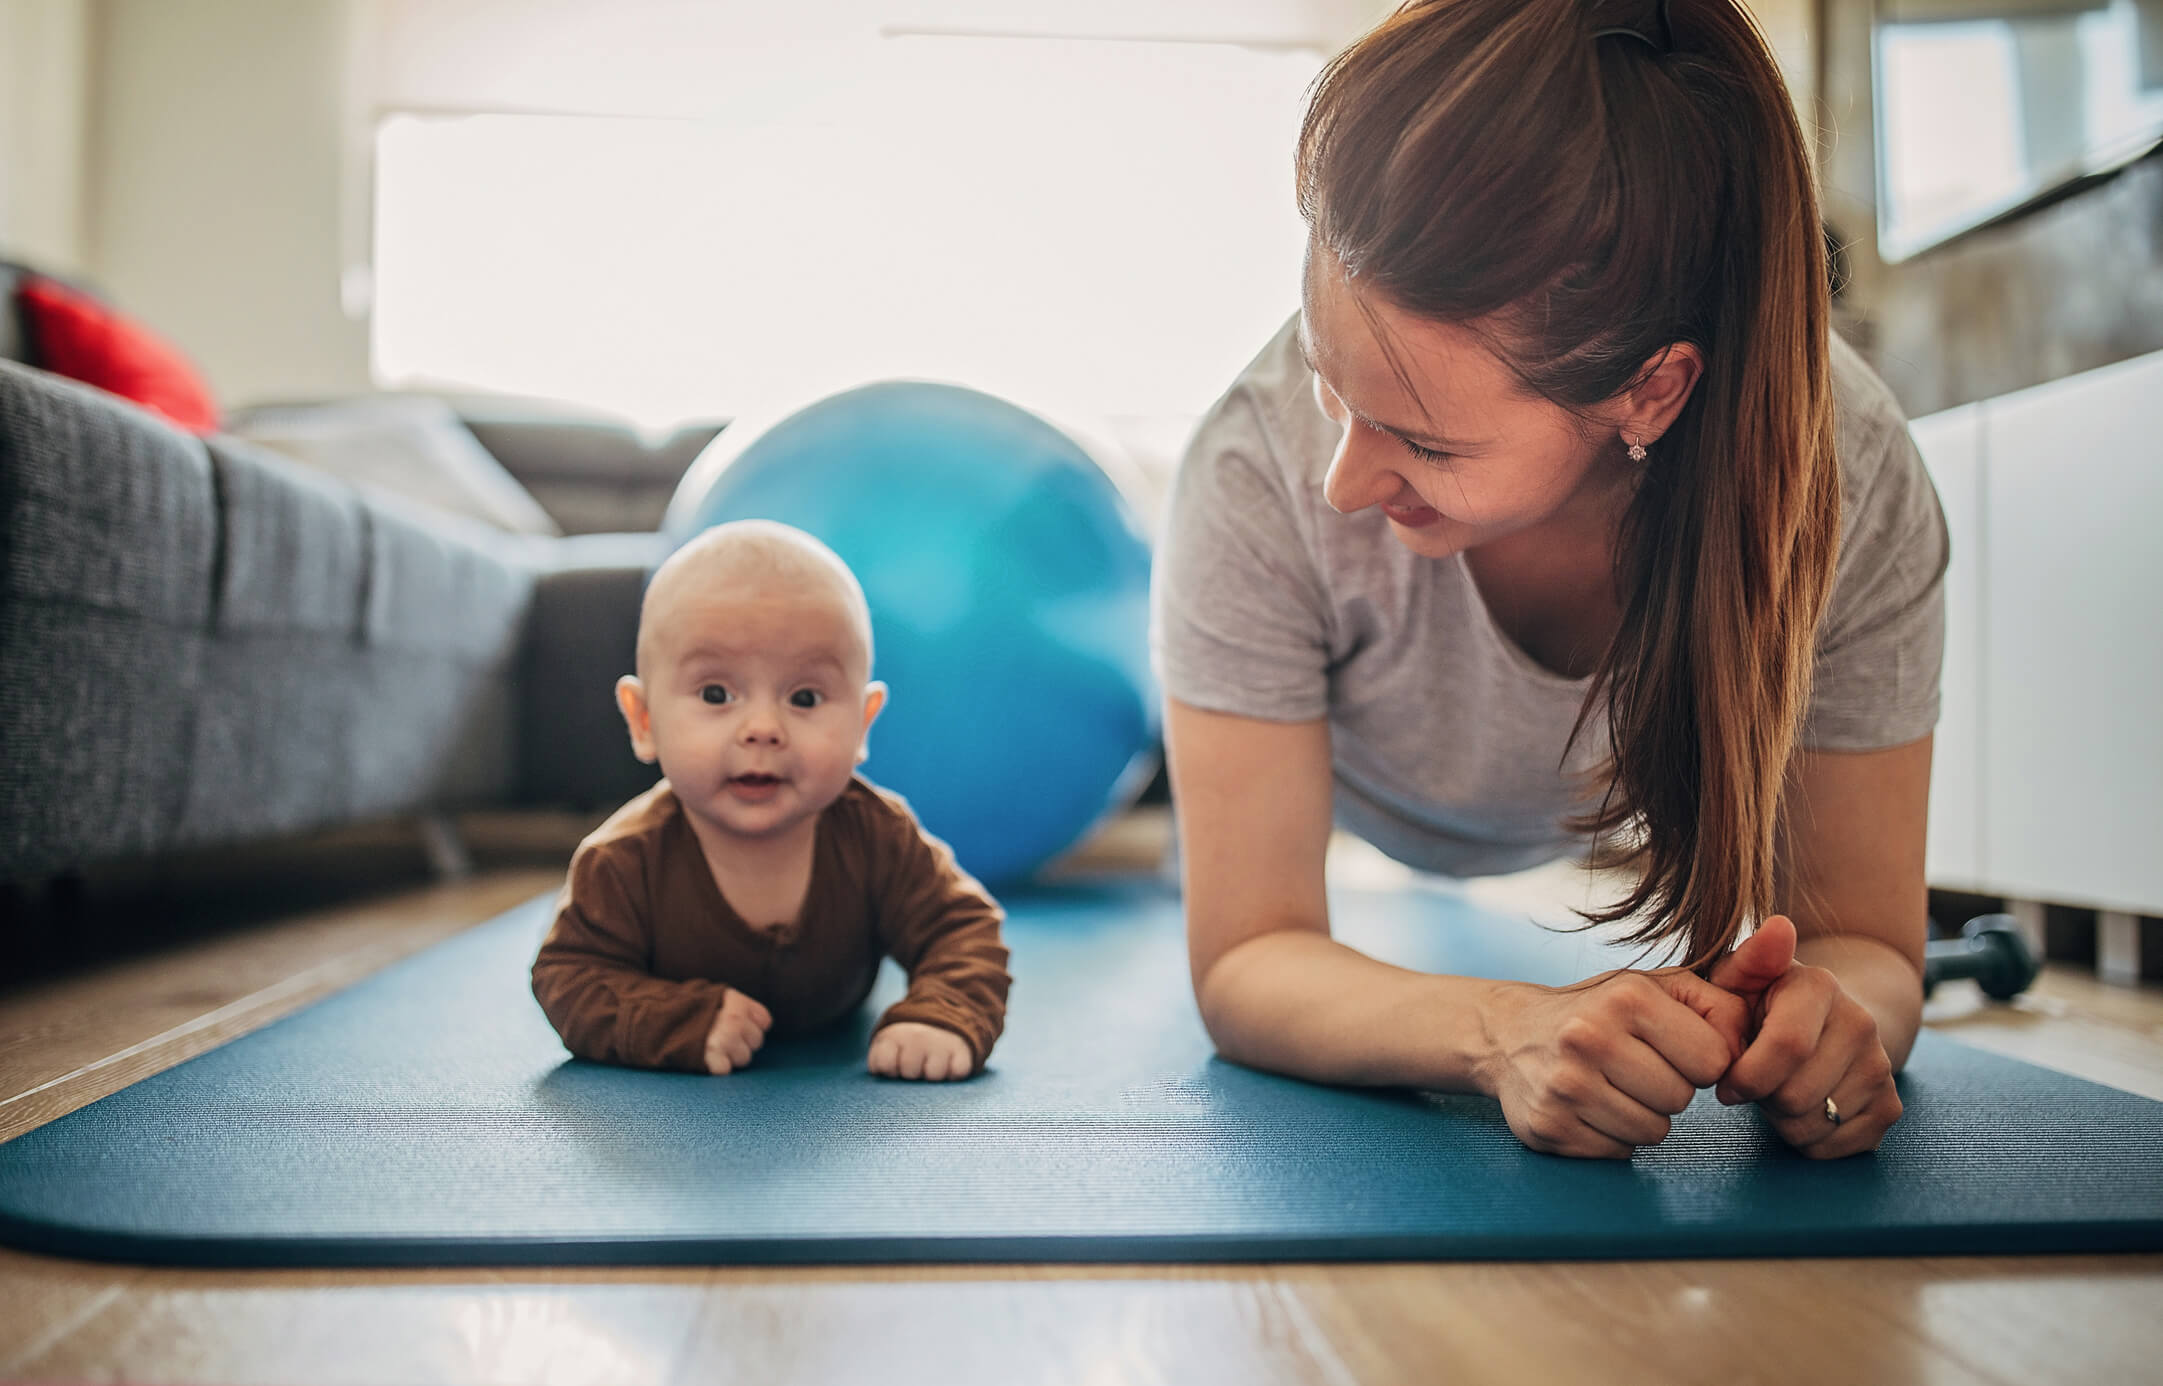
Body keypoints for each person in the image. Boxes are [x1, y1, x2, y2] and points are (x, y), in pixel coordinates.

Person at [1153, 0, 1945, 1159]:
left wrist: (1837, 1023)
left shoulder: (1850, 482)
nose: (1340, 483)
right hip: (1346, 781)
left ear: (1652, 394)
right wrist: (1499, 1031)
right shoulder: (1248, 467)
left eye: (1423, 444)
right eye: (1331, 385)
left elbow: (1867, 946)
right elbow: (1244, 957)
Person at [531, 520, 1011, 1081]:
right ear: (643, 720)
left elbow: (963, 930)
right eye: (717, 694)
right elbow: (569, 976)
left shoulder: (877, 836)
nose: (762, 728)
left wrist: (944, 1014)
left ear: (862, 724)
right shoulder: (622, 863)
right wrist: (673, 1021)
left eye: (804, 697)